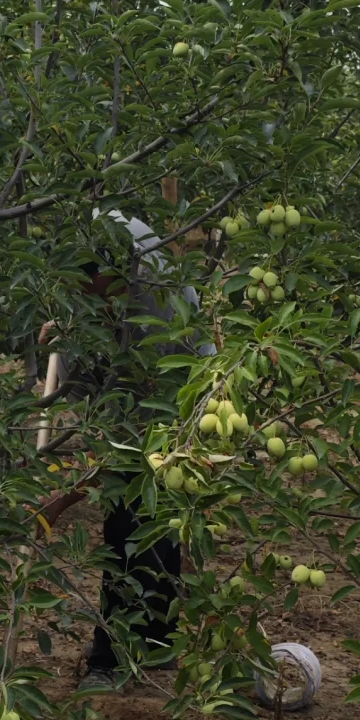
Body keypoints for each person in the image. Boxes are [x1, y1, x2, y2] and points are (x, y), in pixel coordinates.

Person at [40, 197, 211, 687]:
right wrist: (55, 343)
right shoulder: (79, 277)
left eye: (94, 292)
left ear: (119, 276)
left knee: (134, 525)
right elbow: (89, 403)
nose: (89, 299)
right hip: (126, 389)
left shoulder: (153, 302)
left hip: (175, 389)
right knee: (140, 522)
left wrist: (63, 500)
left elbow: (129, 435)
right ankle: (156, 644)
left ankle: (114, 658)